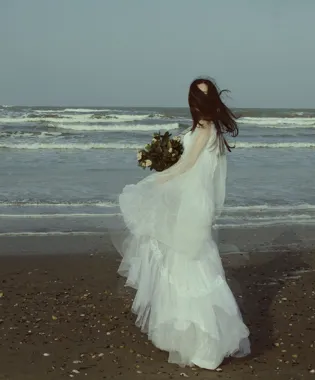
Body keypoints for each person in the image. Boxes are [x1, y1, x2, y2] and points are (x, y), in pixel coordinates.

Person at [112, 77, 250, 370]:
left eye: (205, 95)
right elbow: (191, 165)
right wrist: (162, 163)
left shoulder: (205, 128)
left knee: (192, 263)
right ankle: (185, 337)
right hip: (190, 202)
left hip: (194, 206)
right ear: (192, 100)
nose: (201, 101)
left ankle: (205, 343)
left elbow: (188, 165)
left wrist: (157, 178)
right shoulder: (202, 128)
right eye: (197, 96)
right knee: (183, 261)